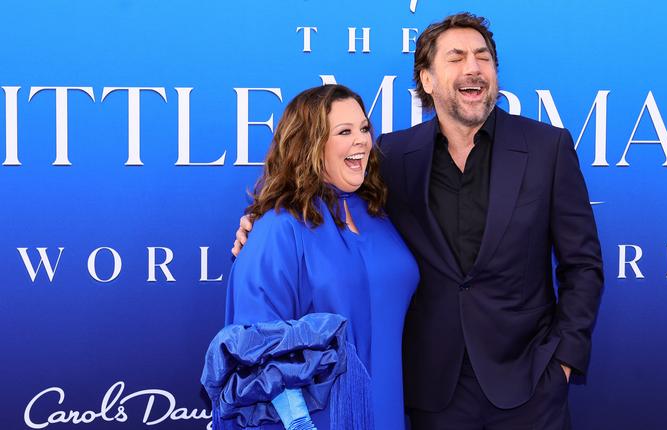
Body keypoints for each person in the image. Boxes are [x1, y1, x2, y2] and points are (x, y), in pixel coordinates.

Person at [233, 13, 603, 430]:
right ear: (426, 80)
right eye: (457, 57)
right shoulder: (394, 157)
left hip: (530, 386)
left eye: (483, 57)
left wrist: (564, 362)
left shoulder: (546, 147)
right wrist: (259, 223)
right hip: (431, 395)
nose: (473, 68)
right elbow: (320, 192)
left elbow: (583, 264)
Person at [203, 84, 419, 430]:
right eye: (344, 131)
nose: (362, 140)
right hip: (316, 420)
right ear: (310, 144)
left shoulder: (379, 215)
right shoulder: (278, 227)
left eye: (364, 128)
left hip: (389, 412)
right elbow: (256, 351)